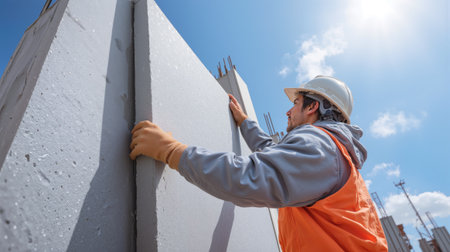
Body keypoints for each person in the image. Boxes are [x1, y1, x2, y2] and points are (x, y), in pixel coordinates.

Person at [129, 75, 388, 251]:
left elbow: (251, 178)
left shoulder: (320, 145)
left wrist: (174, 152)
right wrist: (245, 123)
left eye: (296, 103)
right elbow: (272, 152)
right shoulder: (333, 154)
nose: (288, 111)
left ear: (313, 107)